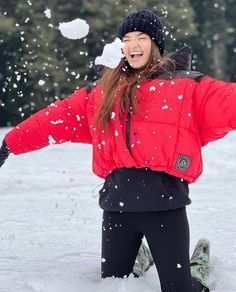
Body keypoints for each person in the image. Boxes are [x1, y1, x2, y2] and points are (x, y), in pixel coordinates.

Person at [1, 7, 235, 292]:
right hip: (116, 210)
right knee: (113, 286)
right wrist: (9, 143)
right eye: (127, 38)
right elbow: (56, 118)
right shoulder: (102, 92)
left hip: (166, 208)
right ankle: (142, 258)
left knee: (179, 289)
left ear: (156, 45)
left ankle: (196, 272)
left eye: (142, 37)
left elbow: (229, 100)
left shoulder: (188, 88)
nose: (133, 44)